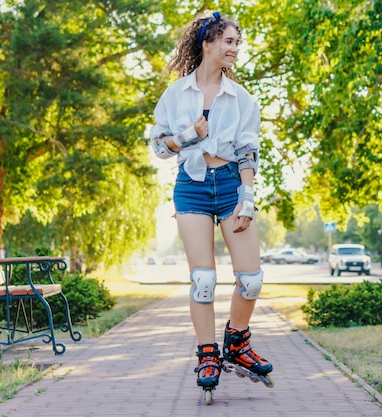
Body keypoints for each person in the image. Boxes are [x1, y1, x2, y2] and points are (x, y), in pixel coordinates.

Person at [149, 12, 273, 391]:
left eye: (237, 43)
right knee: (203, 280)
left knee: (250, 280)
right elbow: (158, 146)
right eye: (229, 42)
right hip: (192, 186)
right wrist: (187, 136)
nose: (235, 49)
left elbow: (248, 151)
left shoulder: (242, 99)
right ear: (208, 44)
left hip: (232, 185)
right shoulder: (176, 94)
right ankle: (207, 354)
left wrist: (248, 198)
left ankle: (236, 342)